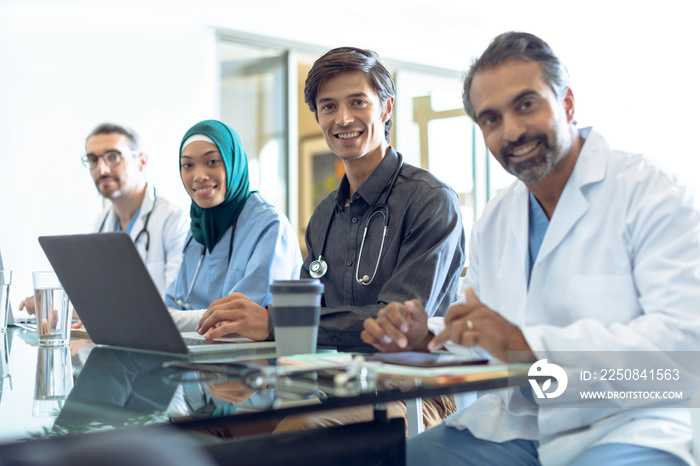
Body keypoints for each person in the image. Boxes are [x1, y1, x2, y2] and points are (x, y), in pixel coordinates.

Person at [362, 31, 700, 465]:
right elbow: (484, 333)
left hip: (629, 426)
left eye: (526, 105)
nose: (513, 131)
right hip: (516, 426)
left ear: (568, 103)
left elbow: (684, 353)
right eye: (491, 119)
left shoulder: (651, 193)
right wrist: (426, 339)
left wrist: (529, 346)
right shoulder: (497, 219)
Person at [195, 48, 466, 432]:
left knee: (299, 432)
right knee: (205, 425)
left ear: (386, 109)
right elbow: (308, 317)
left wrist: (275, 321)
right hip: (330, 380)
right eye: (328, 107)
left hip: (409, 391)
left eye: (358, 102)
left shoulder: (431, 200)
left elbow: (394, 325)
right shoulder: (323, 216)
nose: (343, 119)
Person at [20, 123, 189, 314]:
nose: (101, 169)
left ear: (141, 161)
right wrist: (56, 305)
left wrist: (69, 309)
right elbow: (90, 294)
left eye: (113, 157)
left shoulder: (173, 220)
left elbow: (176, 304)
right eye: (93, 160)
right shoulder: (101, 223)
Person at [165, 119, 302, 328]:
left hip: (261, 357)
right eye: (188, 165)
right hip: (199, 355)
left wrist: (167, 320)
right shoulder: (197, 232)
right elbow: (172, 305)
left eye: (212, 161)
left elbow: (243, 320)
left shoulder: (270, 227)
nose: (199, 176)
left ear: (233, 162)